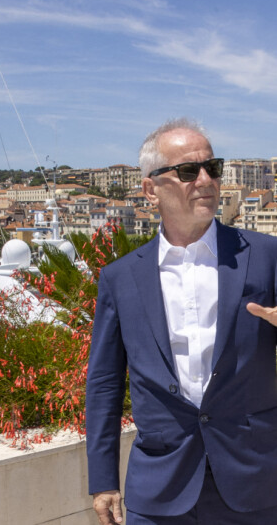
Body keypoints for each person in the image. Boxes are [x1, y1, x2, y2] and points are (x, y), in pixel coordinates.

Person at [85, 118, 277, 524]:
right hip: (159, 487)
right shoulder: (120, 278)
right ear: (150, 189)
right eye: (189, 171)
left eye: (213, 167)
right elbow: (104, 382)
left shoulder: (266, 256)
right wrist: (103, 479)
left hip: (253, 482)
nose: (206, 180)